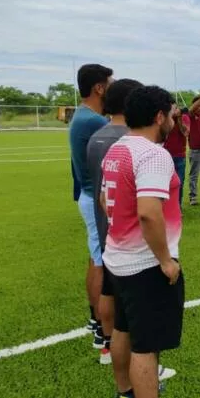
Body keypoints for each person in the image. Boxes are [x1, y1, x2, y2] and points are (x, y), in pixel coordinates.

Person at [100, 85, 185, 398]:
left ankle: (125, 391)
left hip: (117, 258)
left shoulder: (117, 148)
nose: (173, 122)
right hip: (145, 265)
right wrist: (165, 260)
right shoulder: (153, 154)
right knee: (146, 346)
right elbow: (149, 212)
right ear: (159, 116)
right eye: (172, 116)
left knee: (123, 329)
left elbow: (104, 200)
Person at [87, 79, 140, 367]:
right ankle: (136, 362)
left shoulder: (97, 136)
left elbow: (97, 191)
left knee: (109, 289)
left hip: (106, 227)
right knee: (129, 307)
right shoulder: (130, 140)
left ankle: (106, 346)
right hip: (127, 236)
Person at [69, 63, 113, 347]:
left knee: (95, 256)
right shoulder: (94, 122)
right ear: (99, 88)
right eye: (111, 84)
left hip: (88, 195)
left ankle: (95, 318)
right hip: (95, 197)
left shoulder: (83, 116)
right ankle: (101, 326)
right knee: (100, 261)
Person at [163, 107, 191, 207]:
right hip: (165, 155)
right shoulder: (165, 118)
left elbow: (185, 132)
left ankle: (177, 206)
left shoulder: (184, 117)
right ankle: (166, 206)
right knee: (165, 182)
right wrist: (169, 117)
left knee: (179, 182)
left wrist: (179, 118)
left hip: (179, 155)